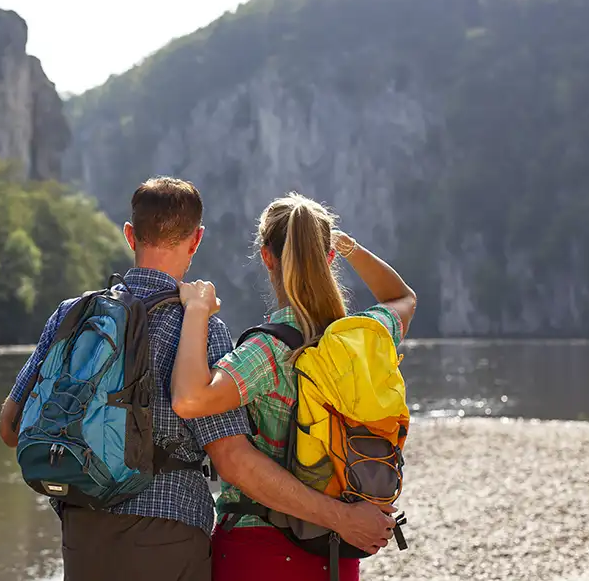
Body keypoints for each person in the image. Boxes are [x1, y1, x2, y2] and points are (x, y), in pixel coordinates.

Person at [0, 179, 397, 581]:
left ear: (130, 234)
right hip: (169, 530)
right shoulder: (200, 329)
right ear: (196, 240)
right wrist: (341, 517)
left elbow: (11, 427)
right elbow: (233, 459)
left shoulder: (73, 314)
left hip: (82, 528)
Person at [170, 192, 417, 581]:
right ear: (329, 257)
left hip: (259, 550)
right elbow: (402, 297)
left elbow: (189, 399)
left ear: (267, 257)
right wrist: (348, 247)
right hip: (338, 549)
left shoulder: (267, 350)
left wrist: (197, 310)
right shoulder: (362, 338)